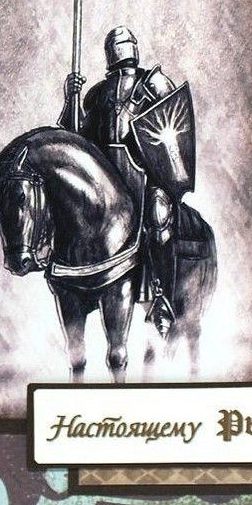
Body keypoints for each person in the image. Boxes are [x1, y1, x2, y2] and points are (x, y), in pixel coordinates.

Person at [58, 25, 181, 338]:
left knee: (158, 217)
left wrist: (158, 169)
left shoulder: (153, 83)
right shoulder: (98, 93)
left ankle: (162, 296)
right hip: (104, 176)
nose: (120, 49)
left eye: (123, 44)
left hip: (143, 173)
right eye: (116, 45)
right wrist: (71, 99)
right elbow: (76, 138)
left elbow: (172, 127)